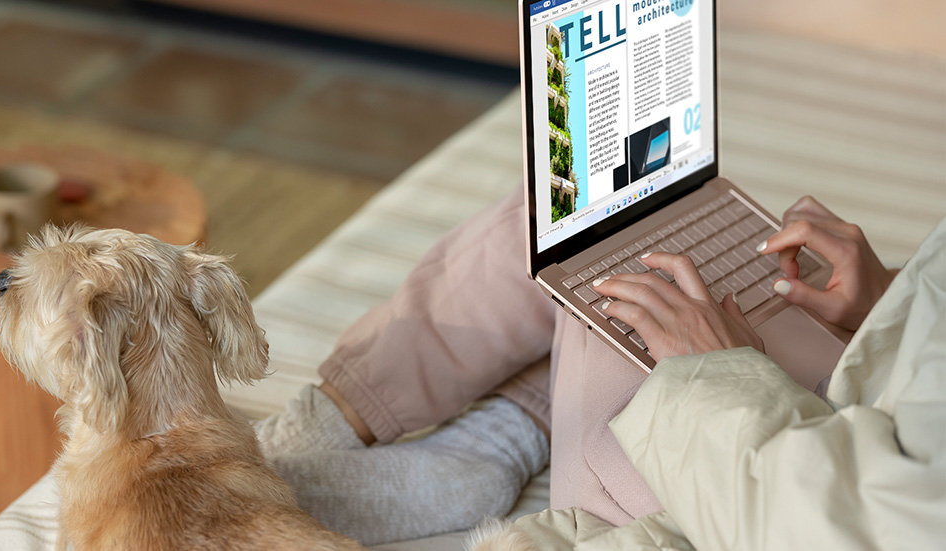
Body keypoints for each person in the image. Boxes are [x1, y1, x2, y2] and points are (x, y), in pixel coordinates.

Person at [253, 190, 945, 548]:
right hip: (830, 411)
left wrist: (723, 373)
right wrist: (890, 307)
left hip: (727, 490)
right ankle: (504, 432)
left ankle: (318, 425)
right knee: (638, 239)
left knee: (563, 222)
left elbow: (832, 526)